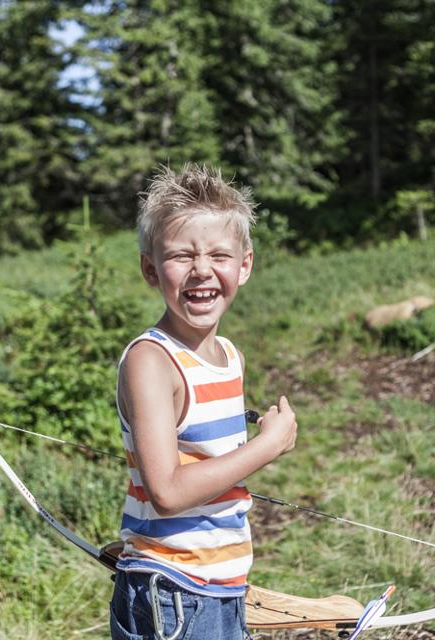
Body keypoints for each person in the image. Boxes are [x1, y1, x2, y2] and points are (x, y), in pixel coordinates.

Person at [110, 164, 298, 640]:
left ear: (245, 265)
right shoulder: (151, 362)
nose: (202, 270)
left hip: (219, 588)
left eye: (219, 254)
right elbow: (168, 492)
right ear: (151, 269)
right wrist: (266, 447)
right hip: (174, 597)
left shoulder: (229, 355)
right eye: (181, 256)